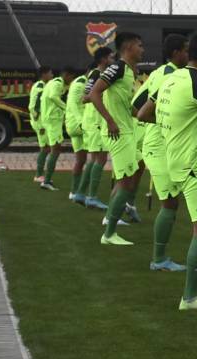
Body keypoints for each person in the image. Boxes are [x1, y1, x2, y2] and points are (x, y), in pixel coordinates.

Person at [137, 32, 197, 310]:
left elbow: (142, 114)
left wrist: (182, 125)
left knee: (194, 213)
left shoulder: (170, 79)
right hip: (192, 161)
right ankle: (191, 297)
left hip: (174, 157)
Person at [131, 34, 190, 271]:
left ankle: (161, 257)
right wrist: (165, 121)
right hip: (159, 146)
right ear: (176, 53)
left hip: (158, 143)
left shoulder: (158, 73)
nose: (189, 55)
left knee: (172, 201)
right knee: (169, 203)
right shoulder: (171, 75)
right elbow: (141, 112)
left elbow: (135, 102)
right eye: (186, 50)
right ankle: (159, 259)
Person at [90, 32, 145, 244]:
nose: (143, 49)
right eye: (139, 45)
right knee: (125, 181)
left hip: (126, 131)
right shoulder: (118, 68)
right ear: (129, 47)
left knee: (129, 177)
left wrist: (147, 116)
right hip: (117, 132)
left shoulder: (129, 72)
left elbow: (126, 106)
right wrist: (110, 121)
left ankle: (110, 222)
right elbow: (94, 94)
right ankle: (109, 233)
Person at [76, 47, 115, 210]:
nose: (113, 60)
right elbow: (85, 98)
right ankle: (92, 197)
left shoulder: (98, 74)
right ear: (104, 59)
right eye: (111, 57)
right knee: (101, 158)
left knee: (95, 158)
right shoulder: (97, 74)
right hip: (96, 121)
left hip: (94, 121)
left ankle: (81, 193)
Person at [39, 67, 75, 190]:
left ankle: (46, 179)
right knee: (56, 149)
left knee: (52, 149)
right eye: (71, 77)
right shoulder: (58, 83)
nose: (71, 80)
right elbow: (53, 97)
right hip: (53, 120)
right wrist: (67, 108)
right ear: (65, 74)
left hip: (49, 119)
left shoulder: (54, 83)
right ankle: (46, 181)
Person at [66, 67, 89, 202]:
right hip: (78, 126)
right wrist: (81, 122)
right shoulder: (80, 83)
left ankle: (74, 191)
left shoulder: (78, 82)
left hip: (74, 125)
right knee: (96, 158)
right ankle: (82, 192)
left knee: (81, 160)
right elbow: (75, 105)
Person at [29, 67, 52, 184]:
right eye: (50, 73)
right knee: (45, 148)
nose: (52, 75)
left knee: (46, 148)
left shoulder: (39, 85)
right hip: (41, 124)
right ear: (44, 74)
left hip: (41, 123)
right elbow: (34, 107)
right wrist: (40, 125)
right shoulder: (40, 87)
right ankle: (38, 175)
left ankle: (40, 174)